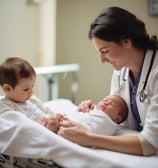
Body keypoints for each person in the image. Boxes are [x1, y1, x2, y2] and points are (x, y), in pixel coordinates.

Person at [58, 6, 158, 156]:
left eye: (105, 51)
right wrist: (96, 111)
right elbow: (117, 117)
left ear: (126, 41)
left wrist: (89, 138)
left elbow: (149, 144)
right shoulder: (120, 72)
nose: (102, 60)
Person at [0, 57, 64, 133]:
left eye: (32, 87)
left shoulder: (32, 99)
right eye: (26, 89)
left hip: (47, 124)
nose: (31, 92)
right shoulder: (5, 107)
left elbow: (46, 110)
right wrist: (38, 125)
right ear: (7, 89)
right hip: (35, 131)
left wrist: (54, 116)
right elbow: (16, 127)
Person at [61, 95, 128, 135]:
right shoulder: (93, 109)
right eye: (104, 100)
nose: (106, 103)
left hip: (78, 129)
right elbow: (80, 114)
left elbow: (96, 131)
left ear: (117, 119)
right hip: (67, 119)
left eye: (111, 104)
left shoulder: (109, 124)